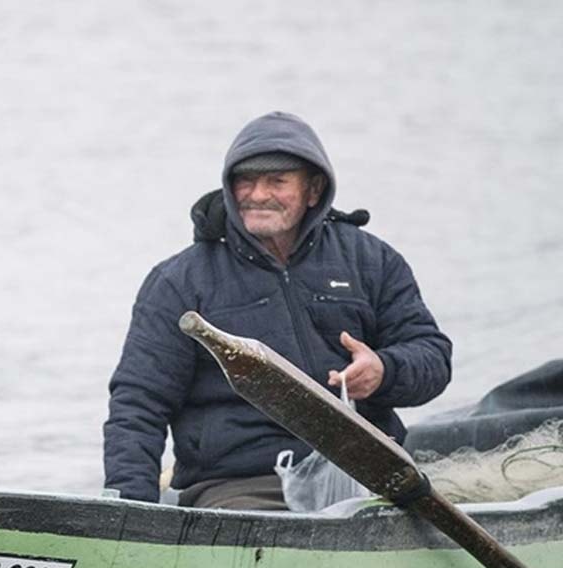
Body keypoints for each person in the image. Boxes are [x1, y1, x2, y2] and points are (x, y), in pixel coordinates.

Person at [103, 111, 452, 509]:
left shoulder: (371, 260)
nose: (257, 194)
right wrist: (130, 510)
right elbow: (138, 404)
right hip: (240, 485)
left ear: (314, 190)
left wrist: (384, 371)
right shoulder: (179, 281)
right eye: (245, 181)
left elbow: (434, 358)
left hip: (370, 476)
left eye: (277, 181)